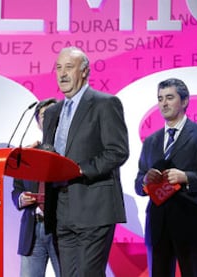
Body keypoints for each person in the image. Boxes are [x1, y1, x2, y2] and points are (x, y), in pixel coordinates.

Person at [42, 46, 129, 276]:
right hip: (60, 207)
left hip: (94, 205)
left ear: (84, 72)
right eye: (58, 68)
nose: (62, 74)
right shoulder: (53, 112)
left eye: (69, 68)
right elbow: (53, 153)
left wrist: (79, 170)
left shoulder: (105, 103)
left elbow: (117, 151)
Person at [134, 78, 197, 277]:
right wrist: (145, 181)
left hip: (191, 224)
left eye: (169, 97)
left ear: (184, 101)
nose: (163, 103)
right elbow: (138, 184)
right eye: (160, 99)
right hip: (158, 227)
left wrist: (186, 177)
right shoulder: (151, 141)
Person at [11, 98, 61, 277]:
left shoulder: (68, 150)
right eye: (43, 115)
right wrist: (20, 198)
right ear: (38, 122)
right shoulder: (29, 153)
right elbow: (16, 187)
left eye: (52, 113)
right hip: (32, 229)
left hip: (60, 228)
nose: (48, 118)